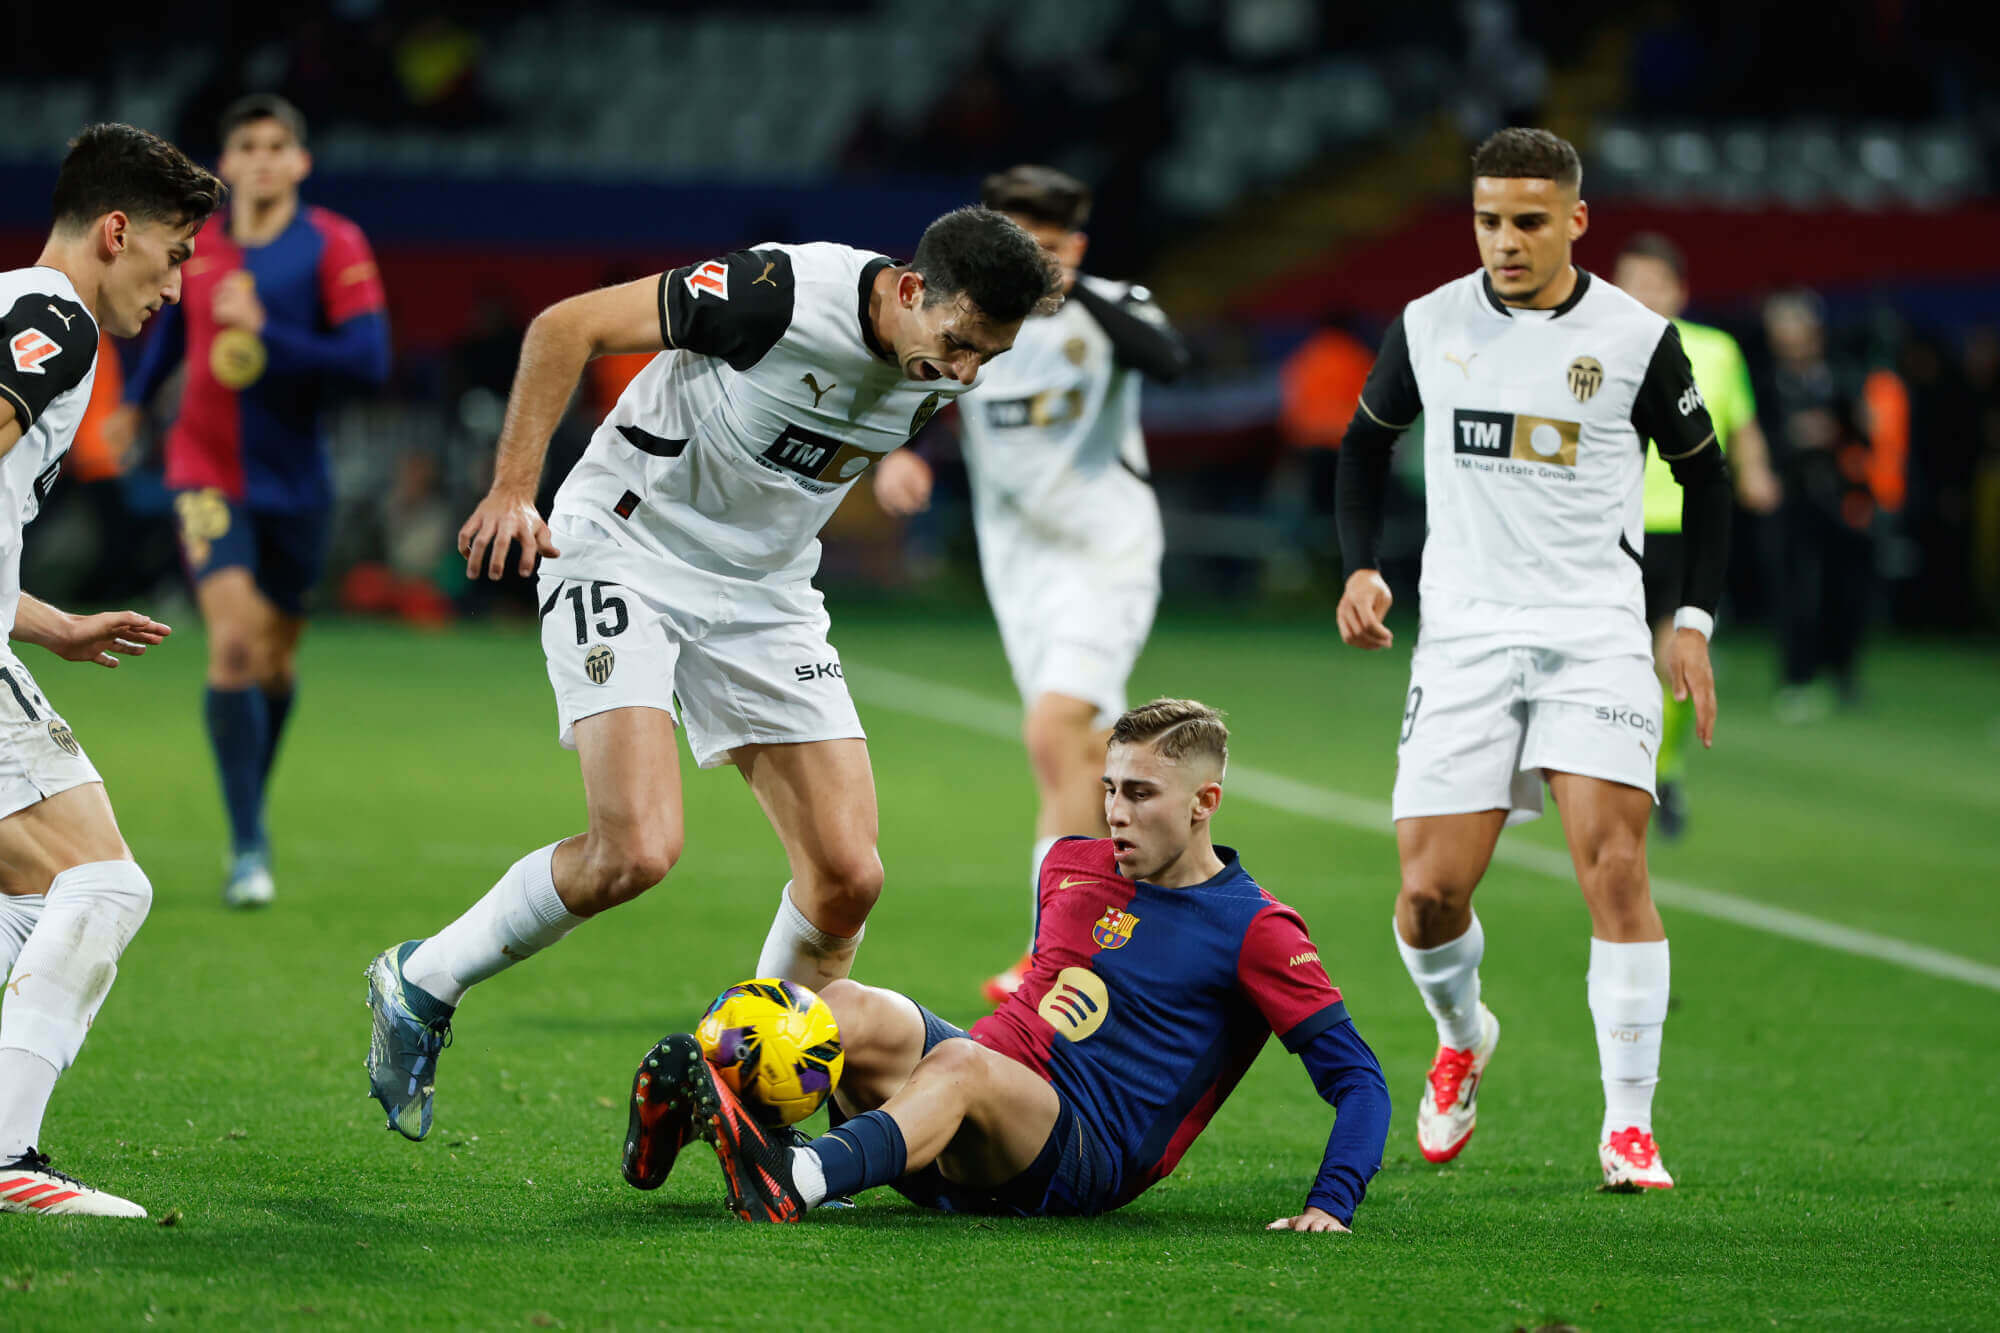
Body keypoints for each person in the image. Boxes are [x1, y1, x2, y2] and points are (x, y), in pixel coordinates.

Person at [362, 208, 1062, 1142]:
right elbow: (565, 326)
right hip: (623, 548)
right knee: (635, 852)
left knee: (848, 875)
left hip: (767, 591)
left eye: (991, 358)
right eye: (963, 343)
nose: (968, 371)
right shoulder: (775, 294)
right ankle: (421, 980)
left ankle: (737, 1093)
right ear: (906, 289)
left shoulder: (934, 365)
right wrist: (512, 489)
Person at [1334, 128, 1731, 1191]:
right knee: (1426, 896)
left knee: (1612, 863)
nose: (1503, 241)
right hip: (1462, 635)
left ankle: (1628, 1124)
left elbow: (1709, 477)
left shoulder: (1635, 337)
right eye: (1486, 220)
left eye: (1526, 221)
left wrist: (1685, 617)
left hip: (1593, 634)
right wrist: (1359, 567)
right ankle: (1461, 1032)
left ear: (1573, 221)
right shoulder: (1428, 323)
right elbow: (1363, 444)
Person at [624, 699, 1389, 1228]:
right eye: (1110, 789)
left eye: (1142, 794)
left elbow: (1358, 1077)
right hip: (972, 1102)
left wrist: (1334, 1199)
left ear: (1204, 801)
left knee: (962, 1064)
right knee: (845, 1001)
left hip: (1082, 1152)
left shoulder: (1256, 926)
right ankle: (731, 1117)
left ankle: (801, 1182)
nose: (1117, 811)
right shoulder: (1068, 862)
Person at [871, 166, 1189, 1005]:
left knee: (1052, 732)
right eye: (1015, 247)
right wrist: (902, 453)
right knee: (1088, 754)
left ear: (1075, 247)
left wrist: (1077, 288)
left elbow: (1170, 359)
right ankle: (1139, 923)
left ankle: (1050, 949)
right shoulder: (976, 316)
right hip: (1018, 567)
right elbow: (922, 391)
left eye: (1044, 250)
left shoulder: (1114, 304)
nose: (1029, 266)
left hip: (1105, 553)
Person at [0, 123, 223, 1218]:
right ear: (117, 230)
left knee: (37, 893)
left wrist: (46, 623)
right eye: (175, 256)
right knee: (103, 881)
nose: (177, 286)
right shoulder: (52, 316)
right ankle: (6, 1158)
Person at [110, 94, 391, 909]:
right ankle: (247, 843)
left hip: (296, 483)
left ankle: (248, 807)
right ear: (224, 163)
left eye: (278, 145)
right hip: (205, 470)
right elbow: (169, 330)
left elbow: (369, 361)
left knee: (273, 662)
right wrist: (135, 400)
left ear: (300, 161)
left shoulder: (333, 246)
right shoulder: (196, 248)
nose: (262, 158)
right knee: (232, 647)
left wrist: (267, 335)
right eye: (247, 145)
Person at [1612, 232, 1779, 837]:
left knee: (1668, 659)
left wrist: (1755, 471)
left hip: (1682, 528)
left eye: (1656, 283)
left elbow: (1742, 422)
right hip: (1609, 529)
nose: (1644, 294)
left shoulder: (1714, 351)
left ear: (1678, 291)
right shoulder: (1594, 346)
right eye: (1633, 282)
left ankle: (1664, 768)